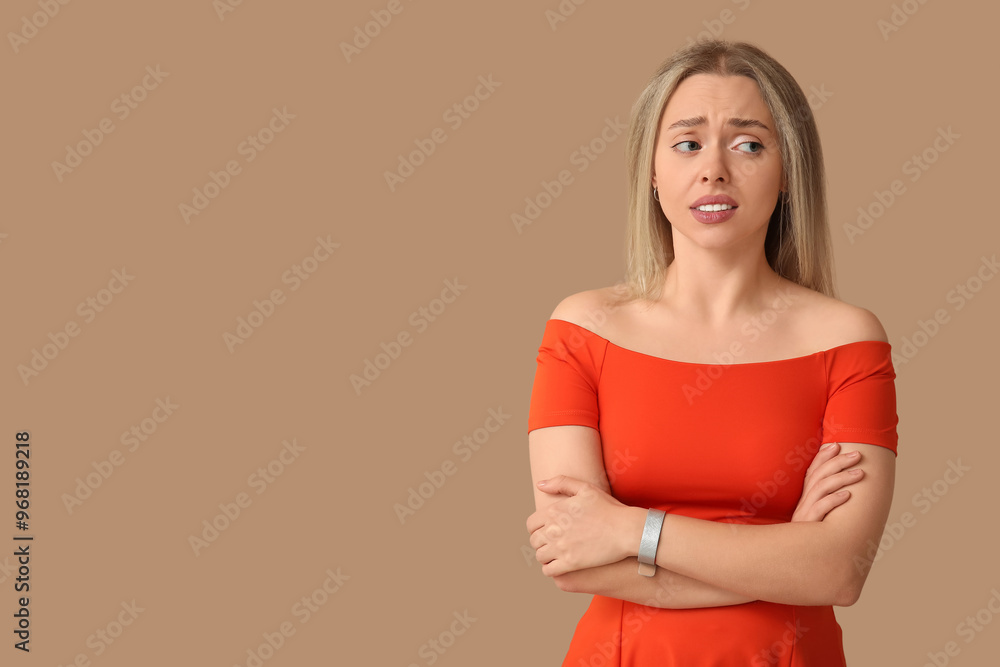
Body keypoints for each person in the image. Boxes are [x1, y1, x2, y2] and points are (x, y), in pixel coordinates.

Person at [524, 40, 899, 666]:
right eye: (687, 142)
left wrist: (630, 531)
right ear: (651, 169)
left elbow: (838, 573)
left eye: (749, 144)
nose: (714, 170)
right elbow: (571, 560)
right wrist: (787, 550)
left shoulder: (848, 341)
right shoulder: (581, 329)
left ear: (788, 171)